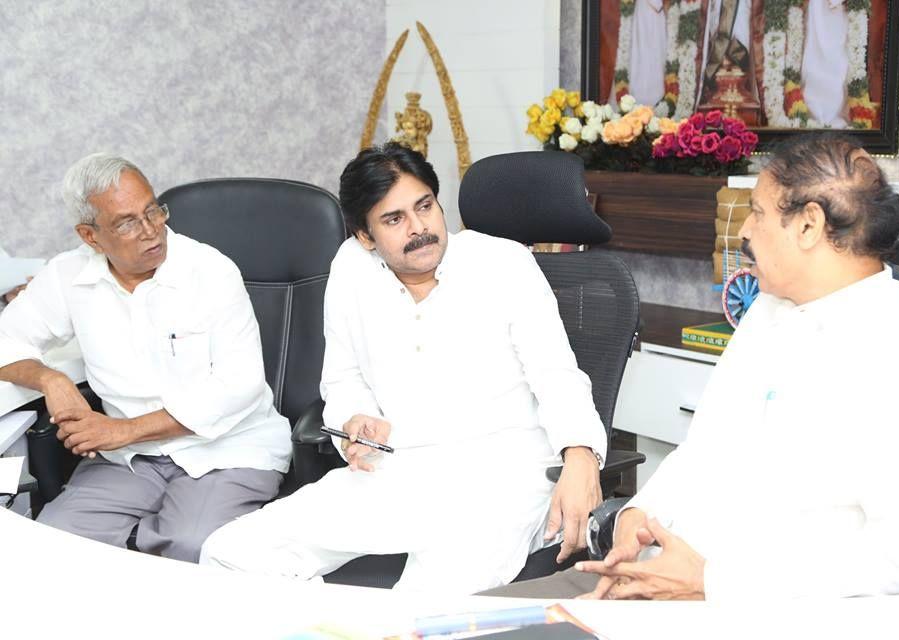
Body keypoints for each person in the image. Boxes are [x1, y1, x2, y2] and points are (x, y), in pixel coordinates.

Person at [487, 132, 899, 599]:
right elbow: (704, 450)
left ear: (809, 226)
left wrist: (711, 581)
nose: (746, 231)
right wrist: (639, 514)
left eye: (758, 212)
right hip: (659, 581)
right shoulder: (769, 310)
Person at [200, 142, 608, 593]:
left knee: (422, 608)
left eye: (425, 207)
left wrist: (581, 455)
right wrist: (354, 419)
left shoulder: (503, 263)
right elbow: (343, 378)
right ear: (364, 235)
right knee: (229, 553)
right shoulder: (351, 268)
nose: (420, 229)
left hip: (503, 479)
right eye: (394, 219)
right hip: (397, 471)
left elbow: (557, 375)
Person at [0, 153, 291, 562]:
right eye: (127, 222)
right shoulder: (68, 276)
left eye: (153, 210)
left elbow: (238, 387)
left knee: (189, 546)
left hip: (228, 450)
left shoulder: (210, 271)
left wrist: (123, 430)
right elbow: (6, 339)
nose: (152, 230)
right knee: (53, 544)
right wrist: (53, 381)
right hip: (128, 462)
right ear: (90, 236)